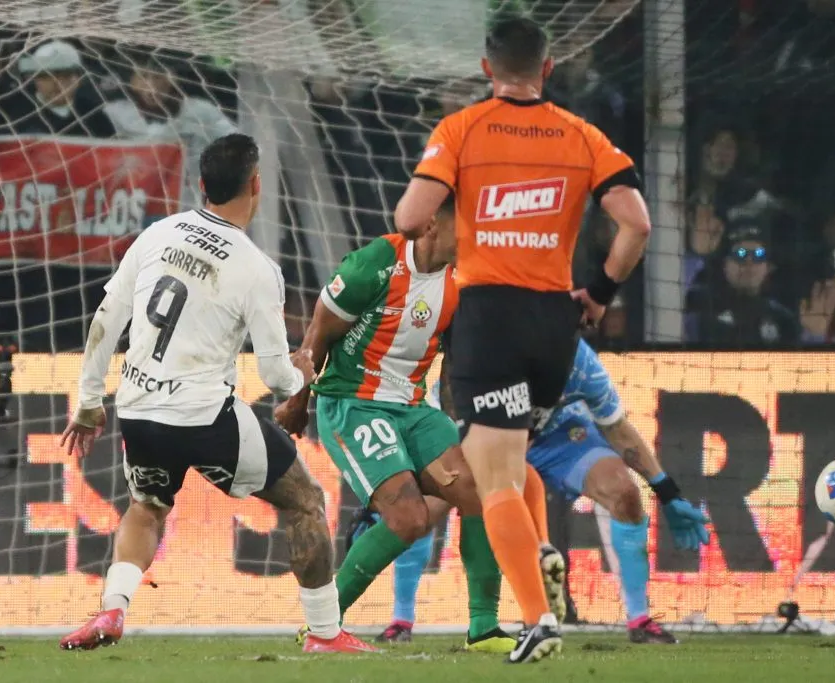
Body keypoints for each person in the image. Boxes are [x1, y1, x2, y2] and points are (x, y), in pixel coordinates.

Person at [393, 14, 651, 663]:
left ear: (487, 69)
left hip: (489, 317)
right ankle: (538, 554)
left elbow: (410, 216)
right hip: (555, 325)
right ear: (548, 68)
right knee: (512, 465)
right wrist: (600, 292)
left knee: (494, 478)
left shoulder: (462, 128)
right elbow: (637, 224)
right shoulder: (582, 134)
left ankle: (538, 618)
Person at [58, 133, 371, 654]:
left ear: (201, 185)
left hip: (138, 408)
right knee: (306, 500)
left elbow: (106, 318)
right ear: (256, 185)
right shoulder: (257, 269)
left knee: (146, 507)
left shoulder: (158, 233)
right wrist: (301, 374)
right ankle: (324, 632)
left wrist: (90, 402)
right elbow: (275, 377)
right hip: (204, 416)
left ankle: (113, 607)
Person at [275, 196, 525, 654]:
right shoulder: (372, 266)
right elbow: (318, 334)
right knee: (409, 519)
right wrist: (298, 401)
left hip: (413, 407)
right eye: (464, 228)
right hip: (353, 404)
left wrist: (464, 421)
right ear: (431, 224)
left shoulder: (461, 279)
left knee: (481, 489)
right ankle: (323, 627)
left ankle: (483, 628)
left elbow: (455, 358)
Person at [373, 339, 709, 645]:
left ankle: (639, 619)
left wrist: (667, 492)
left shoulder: (580, 362)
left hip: (563, 438)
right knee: (423, 509)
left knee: (624, 493)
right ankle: (402, 620)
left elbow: (617, 428)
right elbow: (438, 434)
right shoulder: (475, 357)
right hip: (492, 441)